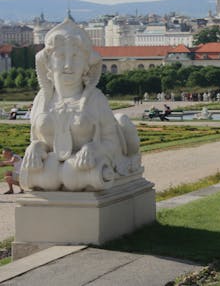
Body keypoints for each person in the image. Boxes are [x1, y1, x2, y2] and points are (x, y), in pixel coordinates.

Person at [21, 16, 142, 191]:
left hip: (83, 164)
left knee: (122, 121)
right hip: (66, 167)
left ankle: (131, 162)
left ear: (86, 66)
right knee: (56, 173)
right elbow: (38, 139)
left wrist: (94, 148)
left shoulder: (96, 99)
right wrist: (34, 147)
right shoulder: (42, 99)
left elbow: (112, 142)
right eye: (60, 56)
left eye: (76, 57)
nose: (68, 65)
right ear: (48, 63)